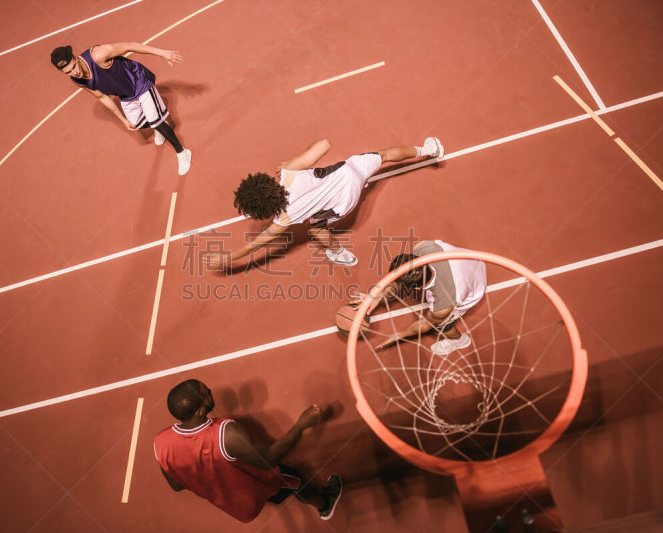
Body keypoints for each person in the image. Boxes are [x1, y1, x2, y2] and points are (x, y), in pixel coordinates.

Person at [204, 137, 444, 268]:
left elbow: (253, 246)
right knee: (384, 155)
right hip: (350, 172)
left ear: (262, 212)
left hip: (345, 202)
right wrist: (293, 160)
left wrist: (226, 259)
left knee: (315, 228)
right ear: (265, 181)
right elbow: (324, 144)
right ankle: (429, 150)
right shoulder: (289, 172)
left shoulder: (281, 221)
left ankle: (339, 253)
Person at [154, 379, 343, 523]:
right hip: (253, 488)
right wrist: (301, 425)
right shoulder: (226, 434)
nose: (211, 392)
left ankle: (275, 496)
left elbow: (177, 485)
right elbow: (268, 460)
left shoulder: (161, 444)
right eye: (207, 393)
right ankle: (325, 504)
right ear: (200, 411)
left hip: (231, 502)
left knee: (275, 493)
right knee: (296, 480)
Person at [50, 43, 192, 175]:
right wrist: (122, 119)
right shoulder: (77, 80)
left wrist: (162, 53)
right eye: (68, 72)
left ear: (76, 58)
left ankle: (182, 152)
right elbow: (102, 97)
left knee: (156, 121)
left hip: (138, 81)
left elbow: (129, 45)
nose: (74, 73)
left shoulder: (98, 55)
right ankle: (159, 126)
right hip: (124, 93)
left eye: (74, 67)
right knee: (138, 123)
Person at [358, 239, 487, 355]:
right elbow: (400, 276)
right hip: (470, 262)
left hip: (474, 287)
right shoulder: (423, 248)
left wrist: (398, 335)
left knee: (441, 326)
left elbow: (426, 324)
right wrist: (378, 296)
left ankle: (459, 340)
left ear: (415, 288)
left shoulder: (443, 303)